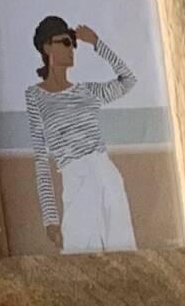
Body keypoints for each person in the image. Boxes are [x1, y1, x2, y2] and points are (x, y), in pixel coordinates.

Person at [24, 15, 136, 252]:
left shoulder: (87, 92)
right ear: (47, 46)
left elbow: (128, 81)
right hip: (74, 178)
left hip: (106, 173)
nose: (71, 49)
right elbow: (41, 161)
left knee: (125, 259)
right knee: (80, 261)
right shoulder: (35, 97)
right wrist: (51, 219)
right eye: (64, 42)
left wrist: (97, 43)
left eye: (72, 43)